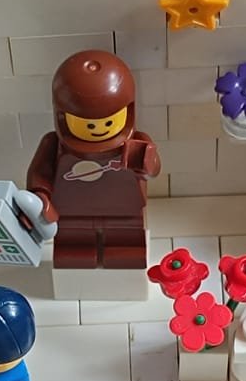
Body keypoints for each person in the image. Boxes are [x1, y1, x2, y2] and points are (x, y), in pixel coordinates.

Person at [26, 50, 160, 270]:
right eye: (88, 125)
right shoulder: (54, 144)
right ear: (63, 116)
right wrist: (41, 197)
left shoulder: (136, 142)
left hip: (124, 211)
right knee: (74, 250)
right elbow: (40, 174)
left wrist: (147, 162)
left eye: (108, 122)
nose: (99, 130)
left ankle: (124, 250)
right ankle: (76, 250)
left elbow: (152, 170)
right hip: (70, 213)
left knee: (126, 249)